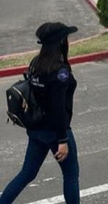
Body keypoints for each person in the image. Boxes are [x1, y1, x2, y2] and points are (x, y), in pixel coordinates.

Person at [0, 23, 80, 204]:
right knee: (71, 174)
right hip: (55, 131)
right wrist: (62, 140)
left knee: (27, 173)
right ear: (60, 41)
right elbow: (58, 109)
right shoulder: (60, 72)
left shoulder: (36, 64)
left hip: (36, 130)